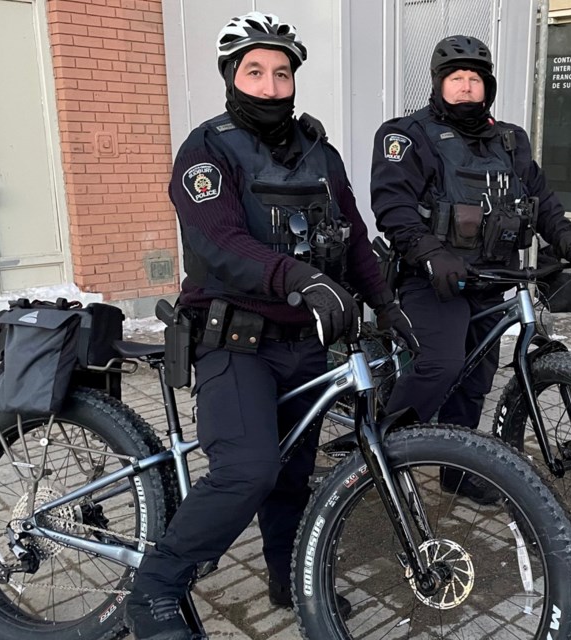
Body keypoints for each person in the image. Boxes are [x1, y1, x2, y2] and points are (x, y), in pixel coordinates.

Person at [124, 12, 417, 640]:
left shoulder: (321, 152)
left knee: (293, 474)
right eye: (254, 71)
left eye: (281, 73)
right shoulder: (206, 148)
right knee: (248, 469)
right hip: (233, 341)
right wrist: (297, 277)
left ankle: (288, 576)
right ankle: (153, 592)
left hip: (304, 343)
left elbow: (354, 237)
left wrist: (387, 305)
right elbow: (221, 240)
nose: (269, 84)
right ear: (233, 76)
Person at [370, 35, 571, 505]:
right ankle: (381, 450)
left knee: (477, 378)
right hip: (434, 281)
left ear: (488, 88)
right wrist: (429, 253)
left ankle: (458, 472)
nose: (465, 87)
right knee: (440, 364)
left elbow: (541, 202)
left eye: (474, 80)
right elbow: (392, 205)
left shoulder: (510, 140)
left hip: (494, 279)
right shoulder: (406, 135)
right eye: (455, 79)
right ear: (439, 85)